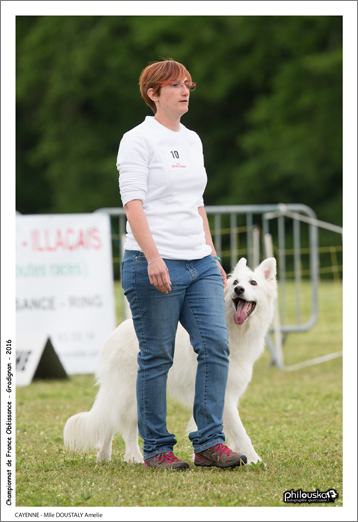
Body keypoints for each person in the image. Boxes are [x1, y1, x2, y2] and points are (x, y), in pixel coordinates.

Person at [116, 59, 247, 470]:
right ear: (153, 93)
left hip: (199, 262)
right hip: (152, 261)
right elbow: (133, 204)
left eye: (188, 83)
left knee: (215, 345)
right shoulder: (137, 139)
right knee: (157, 356)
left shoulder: (192, 140)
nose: (185, 90)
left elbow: (196, 203)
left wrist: (211, 253)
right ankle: (157, 448)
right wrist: (153, 257)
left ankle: (209, 443)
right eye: (174, 84)